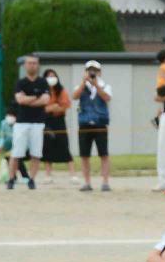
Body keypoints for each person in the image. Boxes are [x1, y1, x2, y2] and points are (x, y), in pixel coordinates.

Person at [7, 55, 48, 191]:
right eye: (29, 63)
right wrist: (36, 97)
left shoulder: (43, 82)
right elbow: (20, 100)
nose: (32, 65)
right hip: (22, 123)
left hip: (38, 123)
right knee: (16, 152)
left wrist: (28, 99)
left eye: (35, 63)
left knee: (36, 153)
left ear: (38, 65)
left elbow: (45, 100)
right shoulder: (20, 83)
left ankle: (32, 179)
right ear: (25, 65)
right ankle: (11, 178)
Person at [73, 61, 112, 192]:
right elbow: (75, 96)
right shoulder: (81, 86)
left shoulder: (105, 85)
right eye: (90, 70)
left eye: (95, 70)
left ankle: (105, 182)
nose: (92, 73)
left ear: (99, 72)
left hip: (100, 123)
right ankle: (86, 182)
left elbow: (107, 98)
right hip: (84, 123)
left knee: (104, 154)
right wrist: (84, 83)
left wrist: (96, 86)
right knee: (84, 155)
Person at [39, 66, 71, 179]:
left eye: (53, 76)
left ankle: (72, 174)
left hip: (59, 120)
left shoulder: (61, 90)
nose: (51, 78)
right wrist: (53, 107)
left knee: (64, 145)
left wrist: (53, 108)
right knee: (47, 146)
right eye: (49, 76)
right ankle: (48, 174)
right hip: (47, 121)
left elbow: (65, 105)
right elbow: (42, 107)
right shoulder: (42, 90)